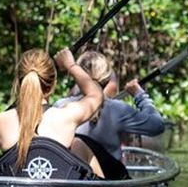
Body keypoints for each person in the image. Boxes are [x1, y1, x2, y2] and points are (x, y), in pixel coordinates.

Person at [0, 47, 103, 178]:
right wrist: (71, 66)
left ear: (18, 84)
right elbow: (96, 95)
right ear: (53, 85)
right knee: (79, 144)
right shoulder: (67, 116)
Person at [57, 51, 166, 179]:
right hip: (108, 184)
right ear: (108, 79)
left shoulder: (60, 106)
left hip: (73, 179)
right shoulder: (118, 109)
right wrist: (139, 95)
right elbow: (157, 125)